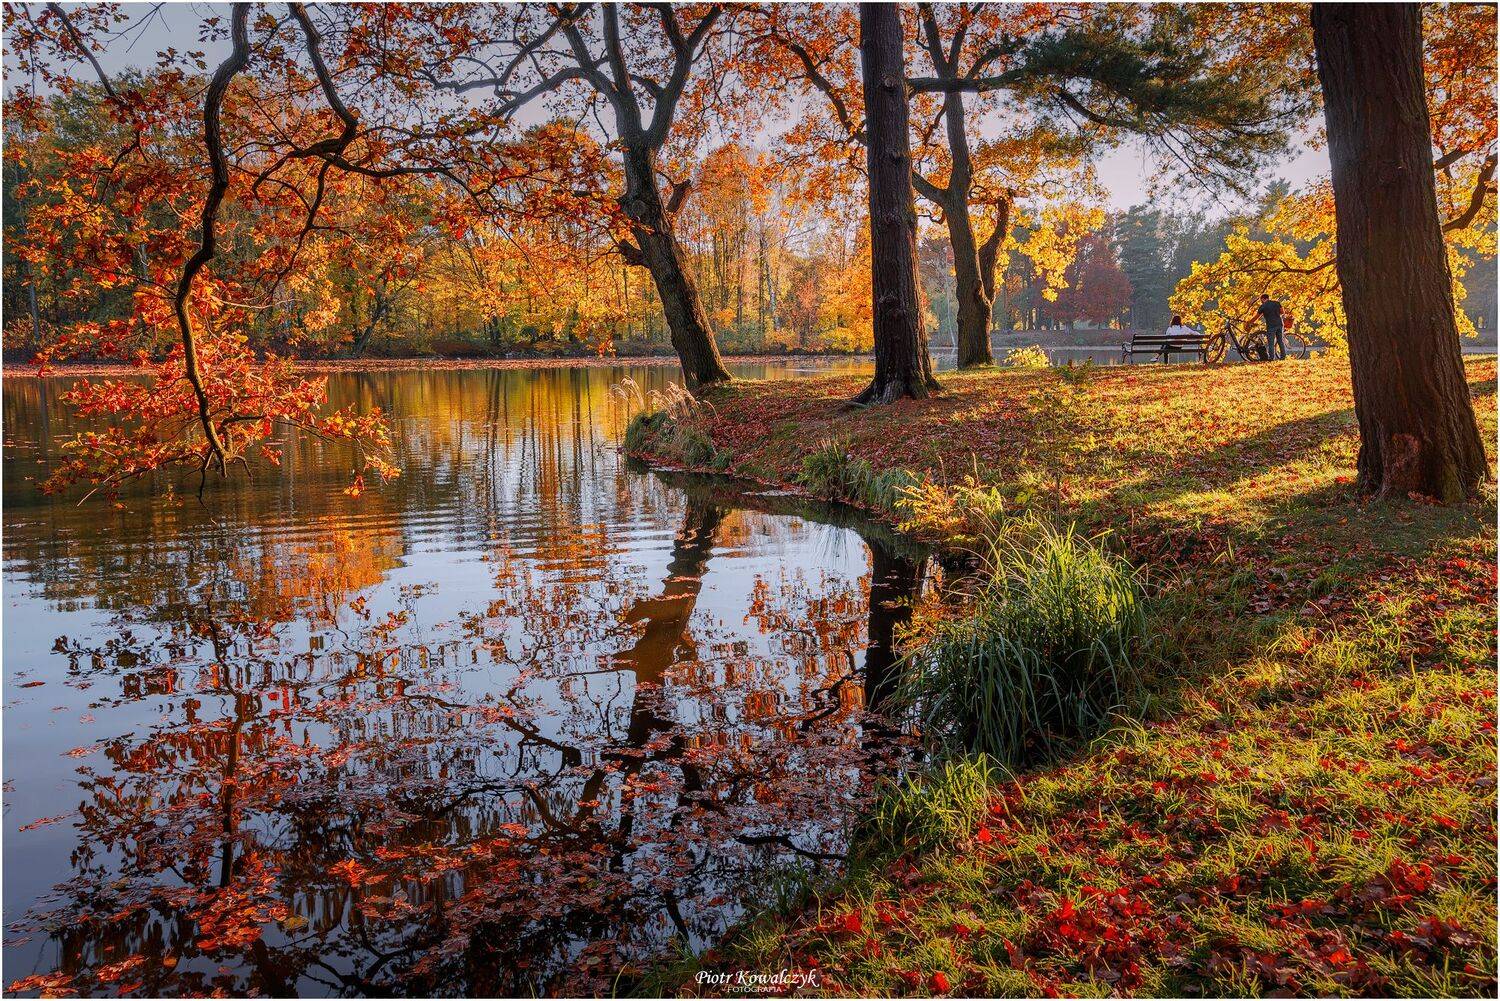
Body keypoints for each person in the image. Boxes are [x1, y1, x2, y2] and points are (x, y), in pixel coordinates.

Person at [1256, 293, 1285, 361]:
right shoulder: (1277, 303)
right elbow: (1282, 312)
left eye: (1261, 300)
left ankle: (1271, 358)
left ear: (1263, 299)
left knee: (1271, 342)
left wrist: (1249, 322)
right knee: (1280, 341)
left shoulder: (1263, 306)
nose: (1261, 301)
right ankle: (1283, 357)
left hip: (1271, 326)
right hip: (1279, 324)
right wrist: (1276, 314)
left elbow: (1256, 317)